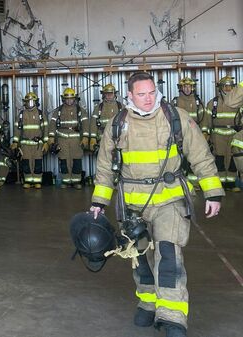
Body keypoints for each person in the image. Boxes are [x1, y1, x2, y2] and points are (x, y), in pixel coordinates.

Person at [90, 72, 223, 337]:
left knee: (168, 256)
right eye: (141, 94)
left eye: (151, 92)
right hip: (132, 206)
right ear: (130, 95)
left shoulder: (175, 117)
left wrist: (213, 192)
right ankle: (148, 303)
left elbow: (200, 154)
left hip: (169, 199)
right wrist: (99, 202)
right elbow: (105, 166)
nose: (148, 98)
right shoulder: (117, 124)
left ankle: (173, 318)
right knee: (140, 258)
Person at [203, 76, 243, 191]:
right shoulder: (213, 103)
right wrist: (205, 134)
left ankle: (232, 184)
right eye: (225, 86)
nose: (227, 88)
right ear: (220, 88)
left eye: (230, 86)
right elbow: (206, 122)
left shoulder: (238, 103)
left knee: (233, 159)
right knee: (219, 160)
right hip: (217, 137)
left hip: (233, 135)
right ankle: (220, 184)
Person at [48, 88, 88, 189]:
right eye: (67, 99)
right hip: (62, 139)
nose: (69, 101)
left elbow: (85, 125)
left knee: (76, 160)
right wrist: (51, 137)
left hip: (76, 140)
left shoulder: (80, 110)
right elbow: (52, 124)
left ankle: (76, 181)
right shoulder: (58, 111)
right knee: (64, 160)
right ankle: (65, 181)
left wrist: (86, 137)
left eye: (71, 98)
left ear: (74, 99)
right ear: (63, 99)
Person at [11, 92, 47, 188]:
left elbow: (45, 129)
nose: (30, 103)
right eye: (28, 102)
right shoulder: (22, 114)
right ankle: (27, 181)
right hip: (25, 144)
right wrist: (15, 142)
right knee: (26, 162)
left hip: (37, 144)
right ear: (25, 103)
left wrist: (46, 142)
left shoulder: (40, 114)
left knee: (37, 162)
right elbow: (17, 129)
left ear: (36, 102)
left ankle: (37, 181)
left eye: (32, 101)